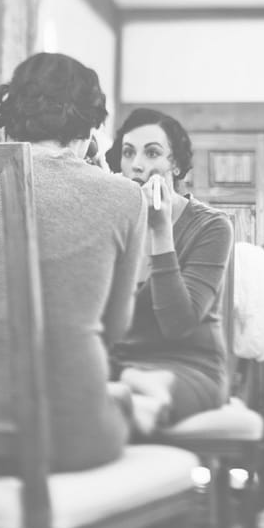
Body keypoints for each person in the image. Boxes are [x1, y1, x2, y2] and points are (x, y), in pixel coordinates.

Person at [0, 52, 147, 471]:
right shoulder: (123, 197)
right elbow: (115, 327)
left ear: (11, 115)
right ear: (90, 127)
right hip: (68, 437)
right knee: (131, 410)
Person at [105, 107, 233, 436]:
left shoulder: (212, 226)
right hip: (120, 364)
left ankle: (143, 399)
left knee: (154, 385)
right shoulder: (113, 221)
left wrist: (160, 231)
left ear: (175, 165)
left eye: (152, 153)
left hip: (188, 367)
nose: (136, 165)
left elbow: (178, 324)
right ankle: (134, 398)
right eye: (128, 153)